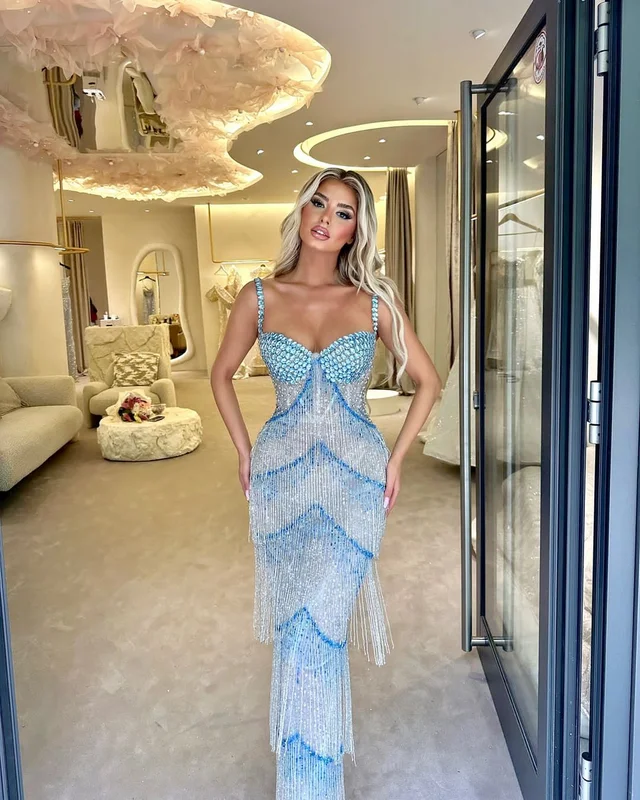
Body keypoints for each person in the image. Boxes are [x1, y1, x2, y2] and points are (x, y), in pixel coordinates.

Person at [210, 167, 441, 799]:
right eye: (319, 203)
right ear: (302, 209)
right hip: (281, 481)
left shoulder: (372, 302)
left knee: (326, 626)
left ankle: (316, 784)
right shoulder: (258, 296)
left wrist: (396, 459)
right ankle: (302, 781)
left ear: (355, 231)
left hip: (355, 481)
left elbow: (428, 381)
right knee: (295, 626)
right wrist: (244, 451)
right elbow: (221, 375)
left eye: (343, 212)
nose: (326, 218)